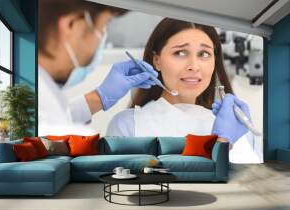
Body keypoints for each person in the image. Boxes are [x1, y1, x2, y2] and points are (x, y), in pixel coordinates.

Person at [106, 18, 261, 163]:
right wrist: (223, 143)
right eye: (180, 53)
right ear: (157, 60)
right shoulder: (127, 125)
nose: (194, 66)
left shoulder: (237, 128)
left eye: (204, 54)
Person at [38, 0, 158, 136]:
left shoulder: (44, 97)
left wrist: (101, 96)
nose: (102, 38)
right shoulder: (45, 112)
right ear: (71, 26)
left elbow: (60, 116)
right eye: (103, 26)